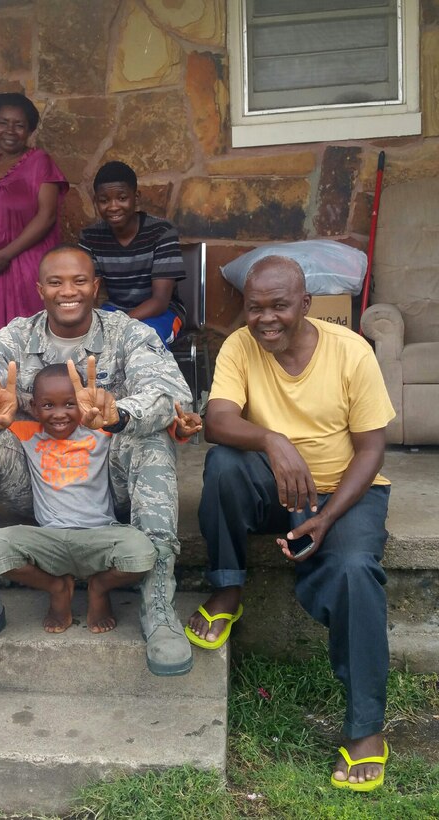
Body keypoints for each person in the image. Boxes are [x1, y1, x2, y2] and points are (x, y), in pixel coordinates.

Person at [0, 245, 199, 677]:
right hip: (35, 481)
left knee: (151, 437)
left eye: (78, 281)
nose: (67, 292)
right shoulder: (16, 338)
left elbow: (172, 395)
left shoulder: (126, 334)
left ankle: (158, 607)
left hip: (110, 478)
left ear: (96, 287)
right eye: (56, 282)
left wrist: (120, 415)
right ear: (40, 290)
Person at [186, 255, 395, 792]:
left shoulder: (351, 352)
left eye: (280, 305)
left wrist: (326, 516)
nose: (266, 319)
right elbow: (216, 421)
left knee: (353, 570)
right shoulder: (239, 345)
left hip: (346, 489)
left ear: (306, 305)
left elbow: (372, 449)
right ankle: (228, 589)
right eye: (255, 307)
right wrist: (272, 441)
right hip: (274, 484)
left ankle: (366, 728)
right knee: (226, 465)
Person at [0, 362, 167, 633]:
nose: (59, 414)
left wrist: (181, 430)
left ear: (82, 402)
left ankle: (99, 587)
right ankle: (56, 587)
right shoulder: (25, 432)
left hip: (101, 535)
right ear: (33, 408)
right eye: (48, 406)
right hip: (49, 541)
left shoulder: (101, 430)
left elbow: (146, 426)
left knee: (143, 551)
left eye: (70, 404)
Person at [0, 92, 69, 346]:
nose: (10, 130)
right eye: (3, 123)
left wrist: (5, 254)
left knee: (32, 344)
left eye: (19, 125)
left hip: (26, 270)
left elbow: (47, 216)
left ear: (30, 130)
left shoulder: (40, 162)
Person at [79, 161, 186, 345]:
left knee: (143, 341)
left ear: (136, 198)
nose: (113, 207)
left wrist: (121, 325)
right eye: (104, 201)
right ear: (96, 202)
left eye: (122, 198)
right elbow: (89, 292)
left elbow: (160, 301)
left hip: (161, 314)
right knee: (87, 342)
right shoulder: (90, 237)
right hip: (114, 311)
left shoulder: (162, 232)